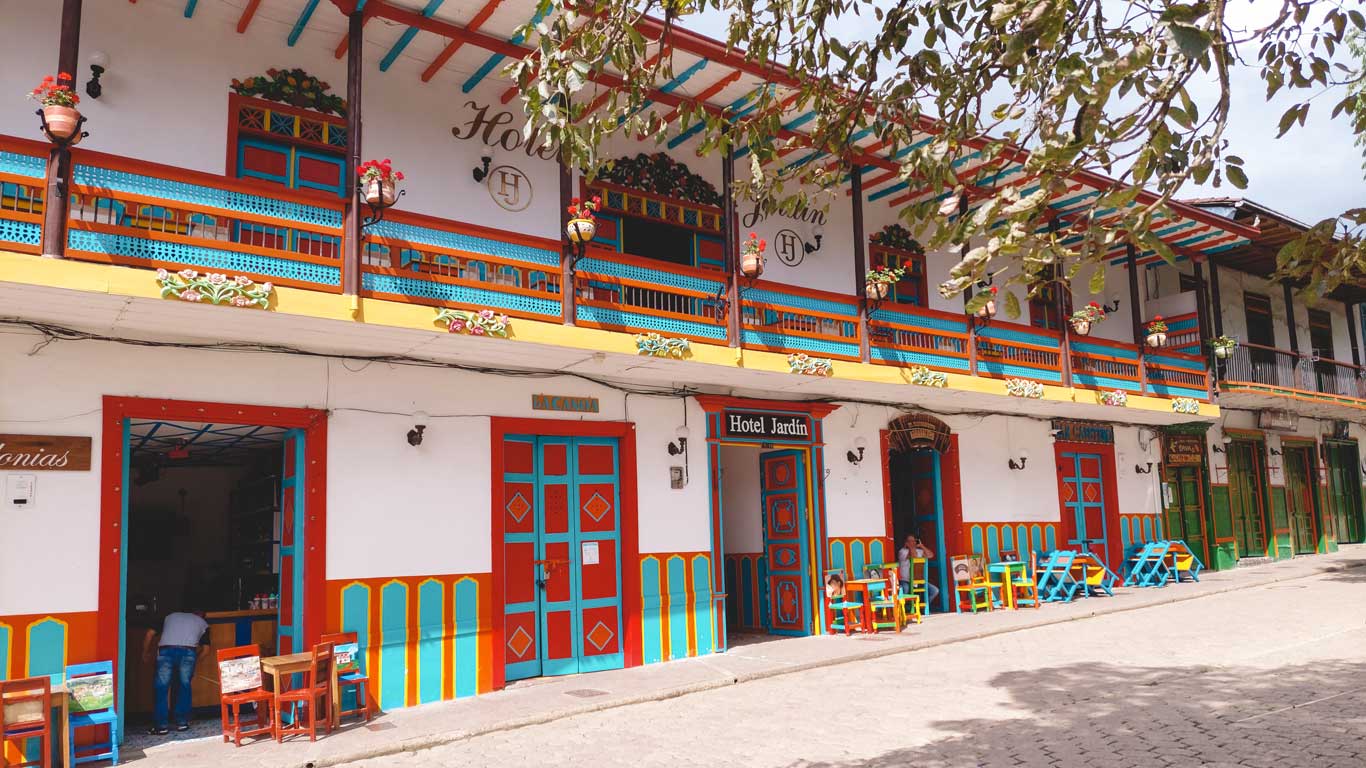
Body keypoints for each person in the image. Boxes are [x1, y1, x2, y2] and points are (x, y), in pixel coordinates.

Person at [142, 609, 209, 734]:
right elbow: (205, 650)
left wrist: (145, 653)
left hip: (166, 651)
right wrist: (194, 661)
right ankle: (182, 722)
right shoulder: (203, 623)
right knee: (184, 686)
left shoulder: (169, 616)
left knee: (161, 688)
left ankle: (161, 726)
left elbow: (149, 634)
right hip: (188, 652)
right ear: (201, 615)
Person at [898, 534, 940, 606]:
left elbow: (930, 555)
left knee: (934, 591)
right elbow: (913, 557)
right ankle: (904, 610)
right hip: (905, 580)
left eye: (914, 541)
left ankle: (923, 607)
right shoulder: (902, 551)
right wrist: (911, 547)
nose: (913, 542)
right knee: (905, 589)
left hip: (918, 580)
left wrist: (922, 546)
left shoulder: (919, 551)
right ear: (906, 543)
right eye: (910, 541)